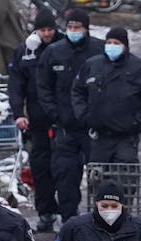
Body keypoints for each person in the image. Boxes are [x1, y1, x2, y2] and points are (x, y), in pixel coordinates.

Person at [36, 9, 104, 221]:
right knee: (65, 176)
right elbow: (43, 86)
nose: (73, 31)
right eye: (70, 28)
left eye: (78, 28)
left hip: (94, 129)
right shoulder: (54, 52)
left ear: (86, 29)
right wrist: (54, 113)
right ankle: (68, 222)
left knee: (99, 177)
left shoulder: (100, 50)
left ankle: (100, 220)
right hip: (65, 128)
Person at [72, 26, 141, 165]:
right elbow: (78, 91)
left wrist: (137, 122)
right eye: (109, 43)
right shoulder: (92, 65)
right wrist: (85, 116)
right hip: (99, 137)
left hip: (126, 138)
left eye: (116, 43)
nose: (112, 46)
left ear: (125, 46)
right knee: (98, 179)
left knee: (125, 179)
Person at [9, 11, 61, 231]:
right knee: (40, 168)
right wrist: (18, 114)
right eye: (43, 30)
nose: (47, 34)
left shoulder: (64, 49)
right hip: (37, 122)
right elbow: (16, 86)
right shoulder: (25, 52)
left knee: (65, 169)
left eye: (50, 29)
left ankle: (67, 212)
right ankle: (46, 212)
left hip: (63, 121)